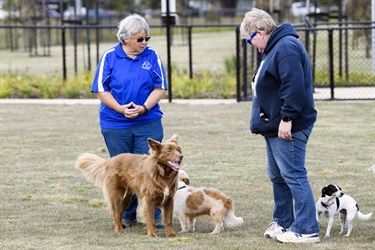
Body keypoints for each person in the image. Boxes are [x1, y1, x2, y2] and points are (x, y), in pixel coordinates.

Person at [240, 8, 320, 243]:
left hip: (289, 125)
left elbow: (293, 86)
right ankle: (284, 222)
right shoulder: (273, 47)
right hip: (274, 126)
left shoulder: (285, 47)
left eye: (250, 39)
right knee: (277, 175)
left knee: (293, 174)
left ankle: (306, 229)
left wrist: (287, 119)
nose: (251, 44)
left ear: (261, 31)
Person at [91, 13, 167, 229]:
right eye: (139, 39)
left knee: (152, 168)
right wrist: (120, 109)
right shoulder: (109, 57)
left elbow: (160, 87)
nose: (144, 43)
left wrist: (144, 108)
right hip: (115, 124)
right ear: (125, 38)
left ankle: (156, 214)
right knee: (125, 172)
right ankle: (127, 214)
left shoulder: (152, 57)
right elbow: (100, 88)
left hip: (148, 122)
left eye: (146, 39)